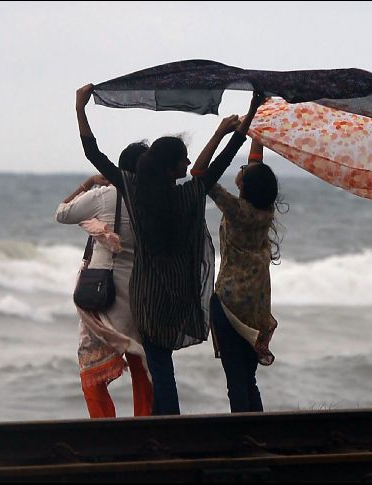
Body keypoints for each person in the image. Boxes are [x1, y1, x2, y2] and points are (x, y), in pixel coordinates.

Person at [74, 83, 266, 415]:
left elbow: (95, 155)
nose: (188, 163)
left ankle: (168, 427)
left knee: (161, 369)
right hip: (177, 296)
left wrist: (80, 109)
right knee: (163, 369)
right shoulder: (189, 196)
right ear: (169, 168)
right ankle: (167, 426)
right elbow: (215, 165)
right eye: (183, 160)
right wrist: (244, 118)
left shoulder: (134, 192)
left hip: (146, 298)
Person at [55, 141, 153, 418]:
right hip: (138, 291)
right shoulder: (153, 197)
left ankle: (104, 427)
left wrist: (88, 183)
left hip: (103, 292)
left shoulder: (104, 196)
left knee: (91, 365)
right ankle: (145, 425)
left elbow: (63, 213)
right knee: (140, 361)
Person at [192, 118, 281, 412]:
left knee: (235, 380)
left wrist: (222, 133)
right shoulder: (264, 211)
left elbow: (199, 172)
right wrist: (257, 121)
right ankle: (257, 433)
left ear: (246, 184)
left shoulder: (236, 209)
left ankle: (243, 437)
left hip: (230, 304)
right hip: (256, 305)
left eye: (243, 169)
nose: (241, 168)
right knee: (248, 378)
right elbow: (257, 159)